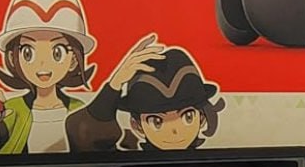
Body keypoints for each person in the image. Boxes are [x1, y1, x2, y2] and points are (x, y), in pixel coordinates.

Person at [0, 0, 97, 155]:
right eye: (28, 53)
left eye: (57, 52)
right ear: (14, 58)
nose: (42, 63)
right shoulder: (12, 110)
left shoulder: (79, 111)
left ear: (73, 60)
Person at [66, 38, 225, 152]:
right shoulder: (132, 166)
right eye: (157, 121)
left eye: (187, 117)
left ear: (201, 118)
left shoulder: (216, 164)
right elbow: (84, 136)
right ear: (137, 126)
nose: (174, 131)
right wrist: (115, 84)